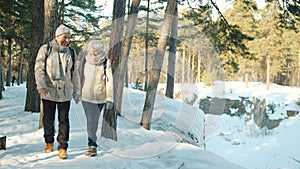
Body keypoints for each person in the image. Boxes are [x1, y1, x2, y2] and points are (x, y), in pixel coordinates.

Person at [34, 24, 80, 159]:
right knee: (48, 119)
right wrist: (41, 85)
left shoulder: (71, 52)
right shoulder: (45, 49)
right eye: (65, 37)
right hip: (49, 91)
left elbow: (75, 74)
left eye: (69, 38)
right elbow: (39, 68)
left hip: (65, 93)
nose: (67, 40)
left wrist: (77, 91)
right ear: (58, 36)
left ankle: (63, 147)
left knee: (64, 120)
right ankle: (49, 141)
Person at [75, 40, 113, 157]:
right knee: (90, 120)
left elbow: (110, 80)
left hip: (100, 97)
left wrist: (110, 98)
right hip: (86, 96)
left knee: (93, 120)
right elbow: (78, 77)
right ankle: (92, 144)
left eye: (96, 52)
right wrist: (77, 93)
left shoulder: (105, 62)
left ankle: (92, 145)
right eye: (92, 51)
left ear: (101, 51)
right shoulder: (84, 61)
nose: (94, 53)